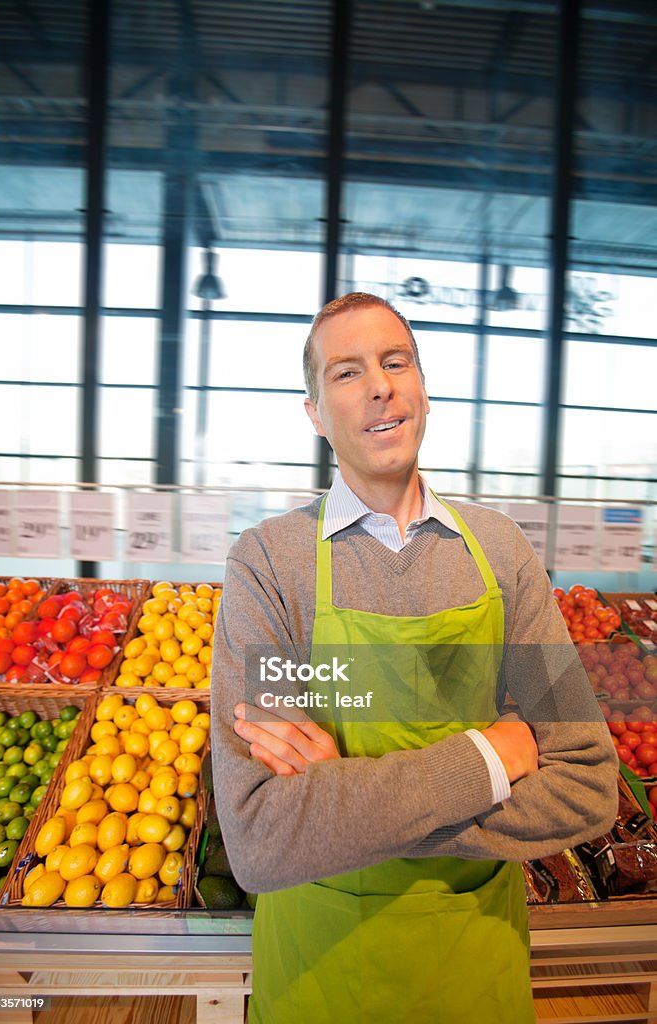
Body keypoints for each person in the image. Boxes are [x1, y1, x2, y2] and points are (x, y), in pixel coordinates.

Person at [210, 292, 618, 1024]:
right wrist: (489, 760)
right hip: (319, 970)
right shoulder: (269, 566)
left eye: (395, 362)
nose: (378, 386)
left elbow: (587, 782)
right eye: (345, 372)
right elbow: (264, 838)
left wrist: (341, 800)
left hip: (474, 965)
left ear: (422, 388)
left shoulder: (501, 554)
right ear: (314, 412)